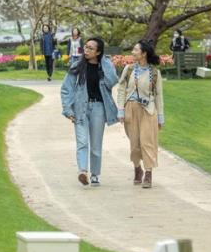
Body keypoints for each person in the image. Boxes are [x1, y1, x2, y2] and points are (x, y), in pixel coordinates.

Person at [60, 37, 119, 186]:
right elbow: (66, 89)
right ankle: (82, 171)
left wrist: (104, 63)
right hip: (80, 109)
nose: (86, 50)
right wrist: (68, 109)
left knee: (95, 145)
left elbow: (112, 81)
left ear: (98, 52)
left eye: (91, 48)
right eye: (85, 47)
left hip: (98, 108)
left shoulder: (105, 66)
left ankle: (95, 174)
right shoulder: (77, 66)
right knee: (82, 142)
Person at [115, 39, 165, 188]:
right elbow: (121, 90)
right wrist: (121, 110)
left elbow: (159, 96)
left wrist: (160, 116)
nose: (132, 52)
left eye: (135, 50)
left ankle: (148, 173)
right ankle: (137, 169)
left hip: (149, 110)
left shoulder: (155, 73)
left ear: (143, 54)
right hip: (131, 109)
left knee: (147, 142)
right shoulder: (129, 69)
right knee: (135, 143)